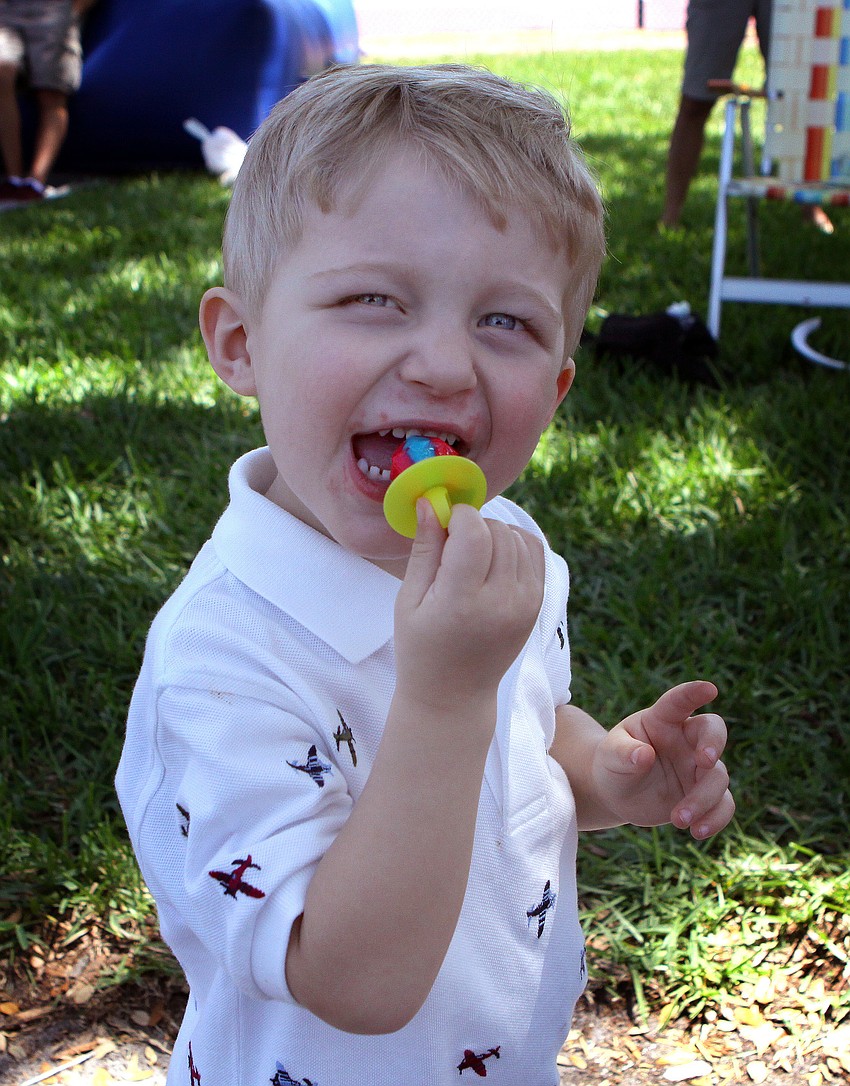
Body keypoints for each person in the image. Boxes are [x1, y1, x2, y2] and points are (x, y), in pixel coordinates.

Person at [116, 63, 735, 1085]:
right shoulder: (220, 664)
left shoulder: (504, 547)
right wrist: (444, 696)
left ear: (560, 383)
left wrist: (604, 773)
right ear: (240, 343)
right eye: (373, 299)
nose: (445, 365)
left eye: (507, 323)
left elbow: (528, 738)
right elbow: (351, 980)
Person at [0, 0, 98, 203]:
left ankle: (36, 182)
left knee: (52, 92)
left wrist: (73, 10)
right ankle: (13, 180)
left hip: (55, 9)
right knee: (2, 73)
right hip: (7, 11)